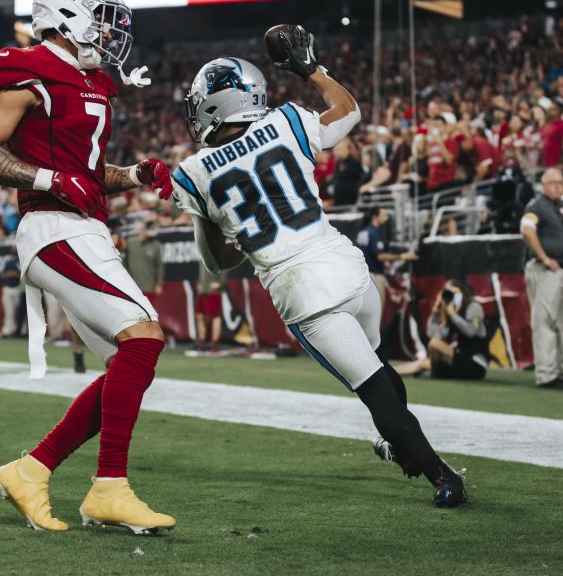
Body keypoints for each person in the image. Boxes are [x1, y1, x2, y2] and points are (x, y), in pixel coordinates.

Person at [170, 27, 467, 509]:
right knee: (382, 374)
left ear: (213, 105)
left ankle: (442, 475)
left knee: (375, 392)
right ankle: (404, 447)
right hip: (348, 268)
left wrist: (209, 216)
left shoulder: (193, 172)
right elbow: (349, 111)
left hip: (303, 291)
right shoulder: (287, 121)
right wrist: (312, 70)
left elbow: (217, 260)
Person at [0, 0, 176, 534]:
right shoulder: (27, 68)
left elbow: (85, 173)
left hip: (81, 226)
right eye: (104, 19)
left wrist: (132, 173)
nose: (110, 33)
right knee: (144, 336)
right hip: (52, 227)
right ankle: (110, 487)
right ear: (67, 13)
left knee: (129, 361)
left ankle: (30, 471)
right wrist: (49, 181)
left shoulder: (93, 81)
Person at [520, 168, 563, 389]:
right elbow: (526, 229)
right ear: (543, 185)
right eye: (553, 183)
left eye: (561, 182)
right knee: (546, 322)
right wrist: (544, 257)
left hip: (562, 271)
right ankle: (547, 374)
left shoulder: (557, 207)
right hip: (546, 270)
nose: (558, 186)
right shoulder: (537, 206)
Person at [395, 280, 488, 381]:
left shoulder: (473, 307)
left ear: (462, 293)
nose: (451, 296)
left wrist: (453, 315)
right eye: (447, 292)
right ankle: (386, 373)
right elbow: (433, 336)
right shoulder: (447, 310)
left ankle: (434, 372)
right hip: (457, 361)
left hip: (475, 363)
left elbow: (471, 332)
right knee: (422, 363)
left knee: (434, 346)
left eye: (454, 293)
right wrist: (438, 313)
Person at [355, 207, 417, 308]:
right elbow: (380, 256)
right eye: (384, 215)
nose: (386, 218)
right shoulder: (373, 232)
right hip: (374, 276)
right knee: (376, 310)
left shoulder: (364, 230)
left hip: (361, 276)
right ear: (375, 217)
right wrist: (403, 256)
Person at [124, 219, 165, 307]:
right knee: (135, 311)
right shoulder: (131, 243)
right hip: (132, 286)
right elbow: (123, 260)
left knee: (148, 311)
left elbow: (159, 266)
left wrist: (159, 283)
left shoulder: (155, 245)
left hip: (148, 286)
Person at [0, 252, 23, 338]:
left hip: (18, 289)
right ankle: (7, 331)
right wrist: (10, 274)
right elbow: (2, 275)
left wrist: (16, 274)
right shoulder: (8, 262)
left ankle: (21, 331)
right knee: (9, 312)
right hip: (8, 288)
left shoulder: (22, 260)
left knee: (20, 313)